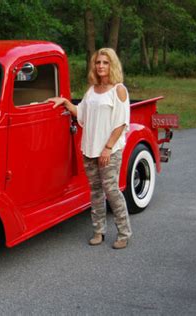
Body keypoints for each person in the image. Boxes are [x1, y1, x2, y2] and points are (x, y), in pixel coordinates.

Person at [47, 47, 132, 249]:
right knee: (95, 191)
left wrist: (108, 148)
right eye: (98, 62)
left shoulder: (118, 89)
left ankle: (124, 233)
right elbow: (81, 113)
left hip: (108, 151)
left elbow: (121, 123)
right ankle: (98, 231)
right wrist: (66, 102)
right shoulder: (92, 90)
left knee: (112, 191)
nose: (101, 66)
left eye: (105, 62)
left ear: (112, 65)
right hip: (89, 149)